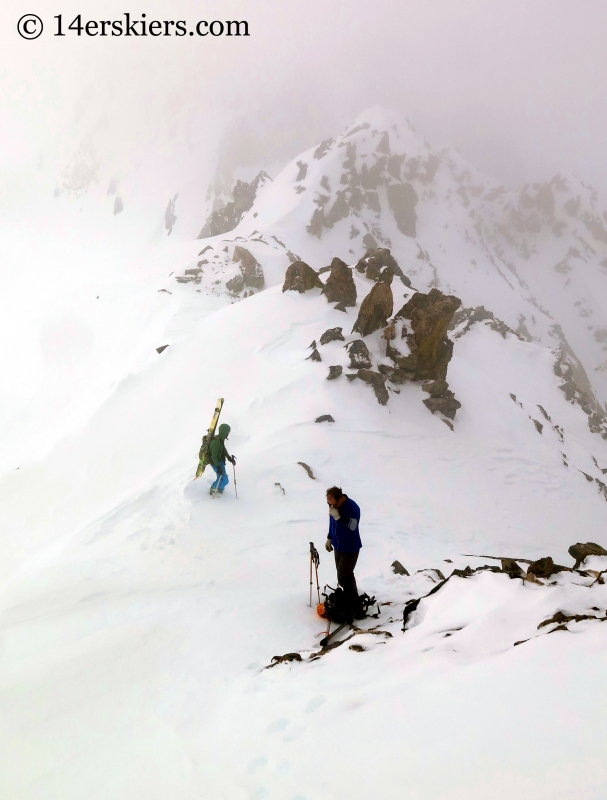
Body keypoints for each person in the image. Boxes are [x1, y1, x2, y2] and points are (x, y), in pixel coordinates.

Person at [325, 486, 362, 606]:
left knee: (343, 577)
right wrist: (330, 538)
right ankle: (350, 598)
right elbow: (332, 524)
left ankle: (354, 603)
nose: (331, 506)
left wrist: (338, 518)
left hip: (350, 548)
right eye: (328, 503)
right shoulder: (334, 506)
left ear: (340, 498)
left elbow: (351, 531)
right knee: (344, 575)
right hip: (338, 547)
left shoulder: (352, 508)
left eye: (332, 503)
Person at [209, 423, 235, 495]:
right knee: (225, 480)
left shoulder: (220, 440)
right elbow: (213, 456)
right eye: (227, 432)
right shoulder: (216, 442)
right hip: (215, 463)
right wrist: (218, 467)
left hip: (220, 462)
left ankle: (219, 489)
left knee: (220, 477)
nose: (228, 434)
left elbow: (224, 450)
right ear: (224, 432)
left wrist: (230, 459)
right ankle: (213, 488)